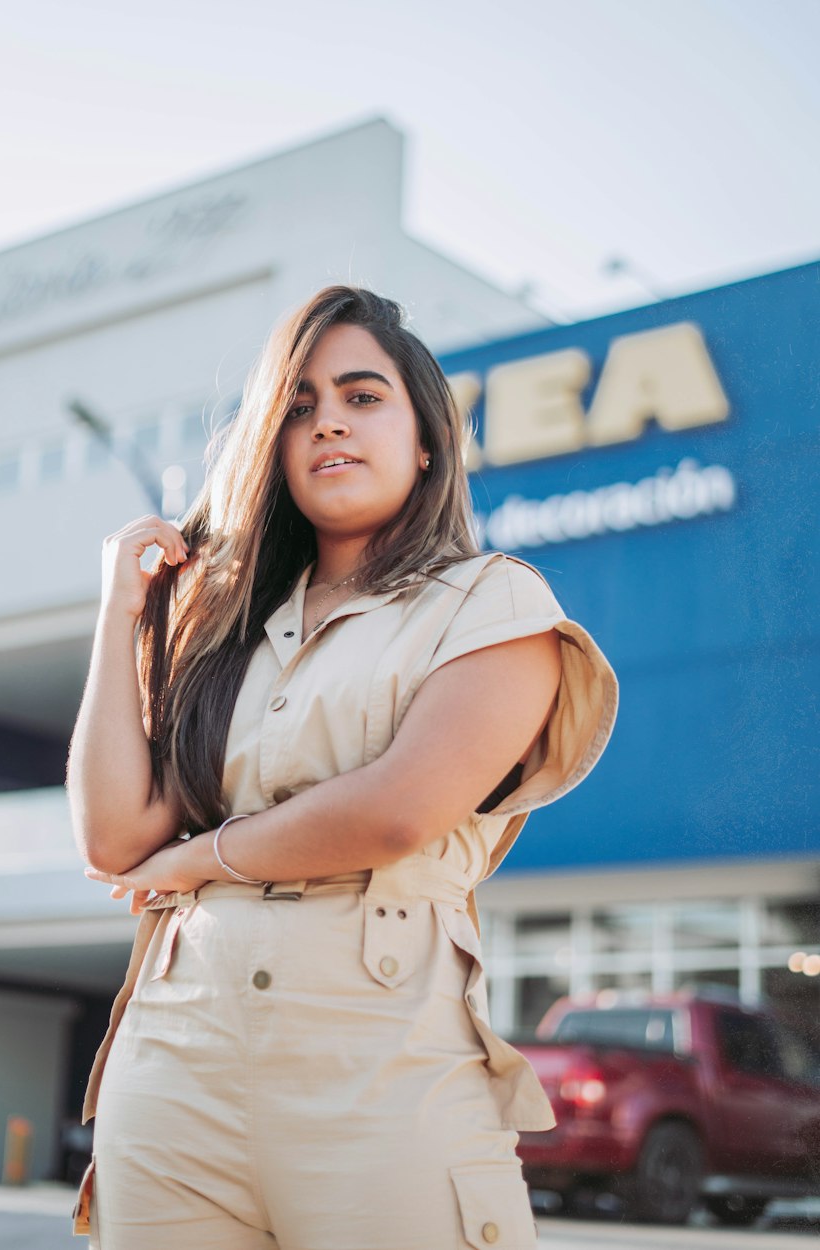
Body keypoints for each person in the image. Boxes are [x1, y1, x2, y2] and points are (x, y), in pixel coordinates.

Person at [66, 285, 618, 1250]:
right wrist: (122, 614)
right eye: (301, 406)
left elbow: (398, 809)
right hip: (173, 1065)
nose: (330, 424)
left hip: (384, 1078)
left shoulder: (493, 603)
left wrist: (197, 861)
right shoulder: (219, 635)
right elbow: (115, 839)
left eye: (363, 397)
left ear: (427, 441)